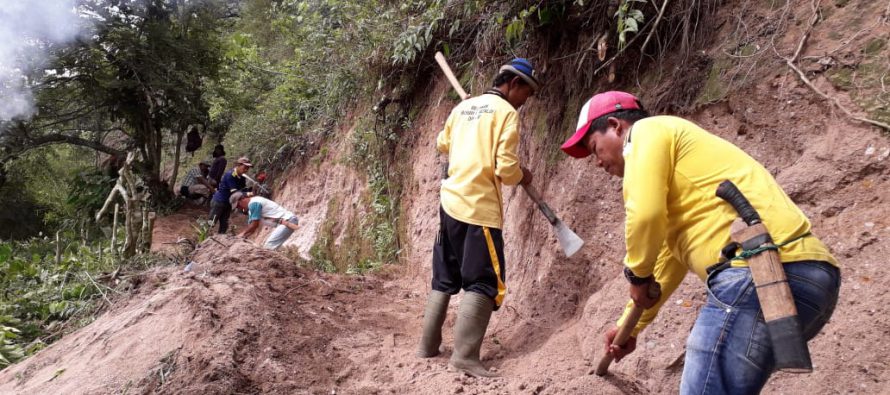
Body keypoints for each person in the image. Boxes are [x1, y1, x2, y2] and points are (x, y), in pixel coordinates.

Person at [559, 91, 840, 394]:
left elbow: (645, 214)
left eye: (594, 148)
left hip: (758, 270)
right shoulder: (683, 193)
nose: (597, 163)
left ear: (616, 126)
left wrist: (636, 275)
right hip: (811, 280)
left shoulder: (646, 131)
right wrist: (631, 325)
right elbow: (668, 263)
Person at [416, 58, 540, 378]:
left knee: (444, 277)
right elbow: (505, 170)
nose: (526, 100)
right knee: (483, 281)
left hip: (449, 205)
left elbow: (442, 143)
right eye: (527, 92)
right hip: (478, 210)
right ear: (513, 84)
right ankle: (465, 356)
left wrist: (467, 120)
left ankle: (427, 346)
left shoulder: (462, 109)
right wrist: (523, 173)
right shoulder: (507, 114)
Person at [231, 192, 299, 250]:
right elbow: (252, 228)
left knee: (269, 246)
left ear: (242, 199)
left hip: (288, 220)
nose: (239, 208)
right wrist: (243, 236)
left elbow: (254, 225)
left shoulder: (254, 203)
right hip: (284, 223)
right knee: (269, 246)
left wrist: (242, 234)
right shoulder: (251, 210)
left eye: (238, 206)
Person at [209, 157, 253, 234]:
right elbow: (235, 193)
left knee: (224, 225)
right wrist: (248, 194)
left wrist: (250, 190)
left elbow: (242, 189)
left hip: (228, 203)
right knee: (211, 222)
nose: (246, 170)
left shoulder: (242, 177)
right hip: (219, 202)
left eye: (248, 168)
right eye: (245, 167)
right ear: (239, 165)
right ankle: (203, 239)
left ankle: (219, 242)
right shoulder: (230, 175)